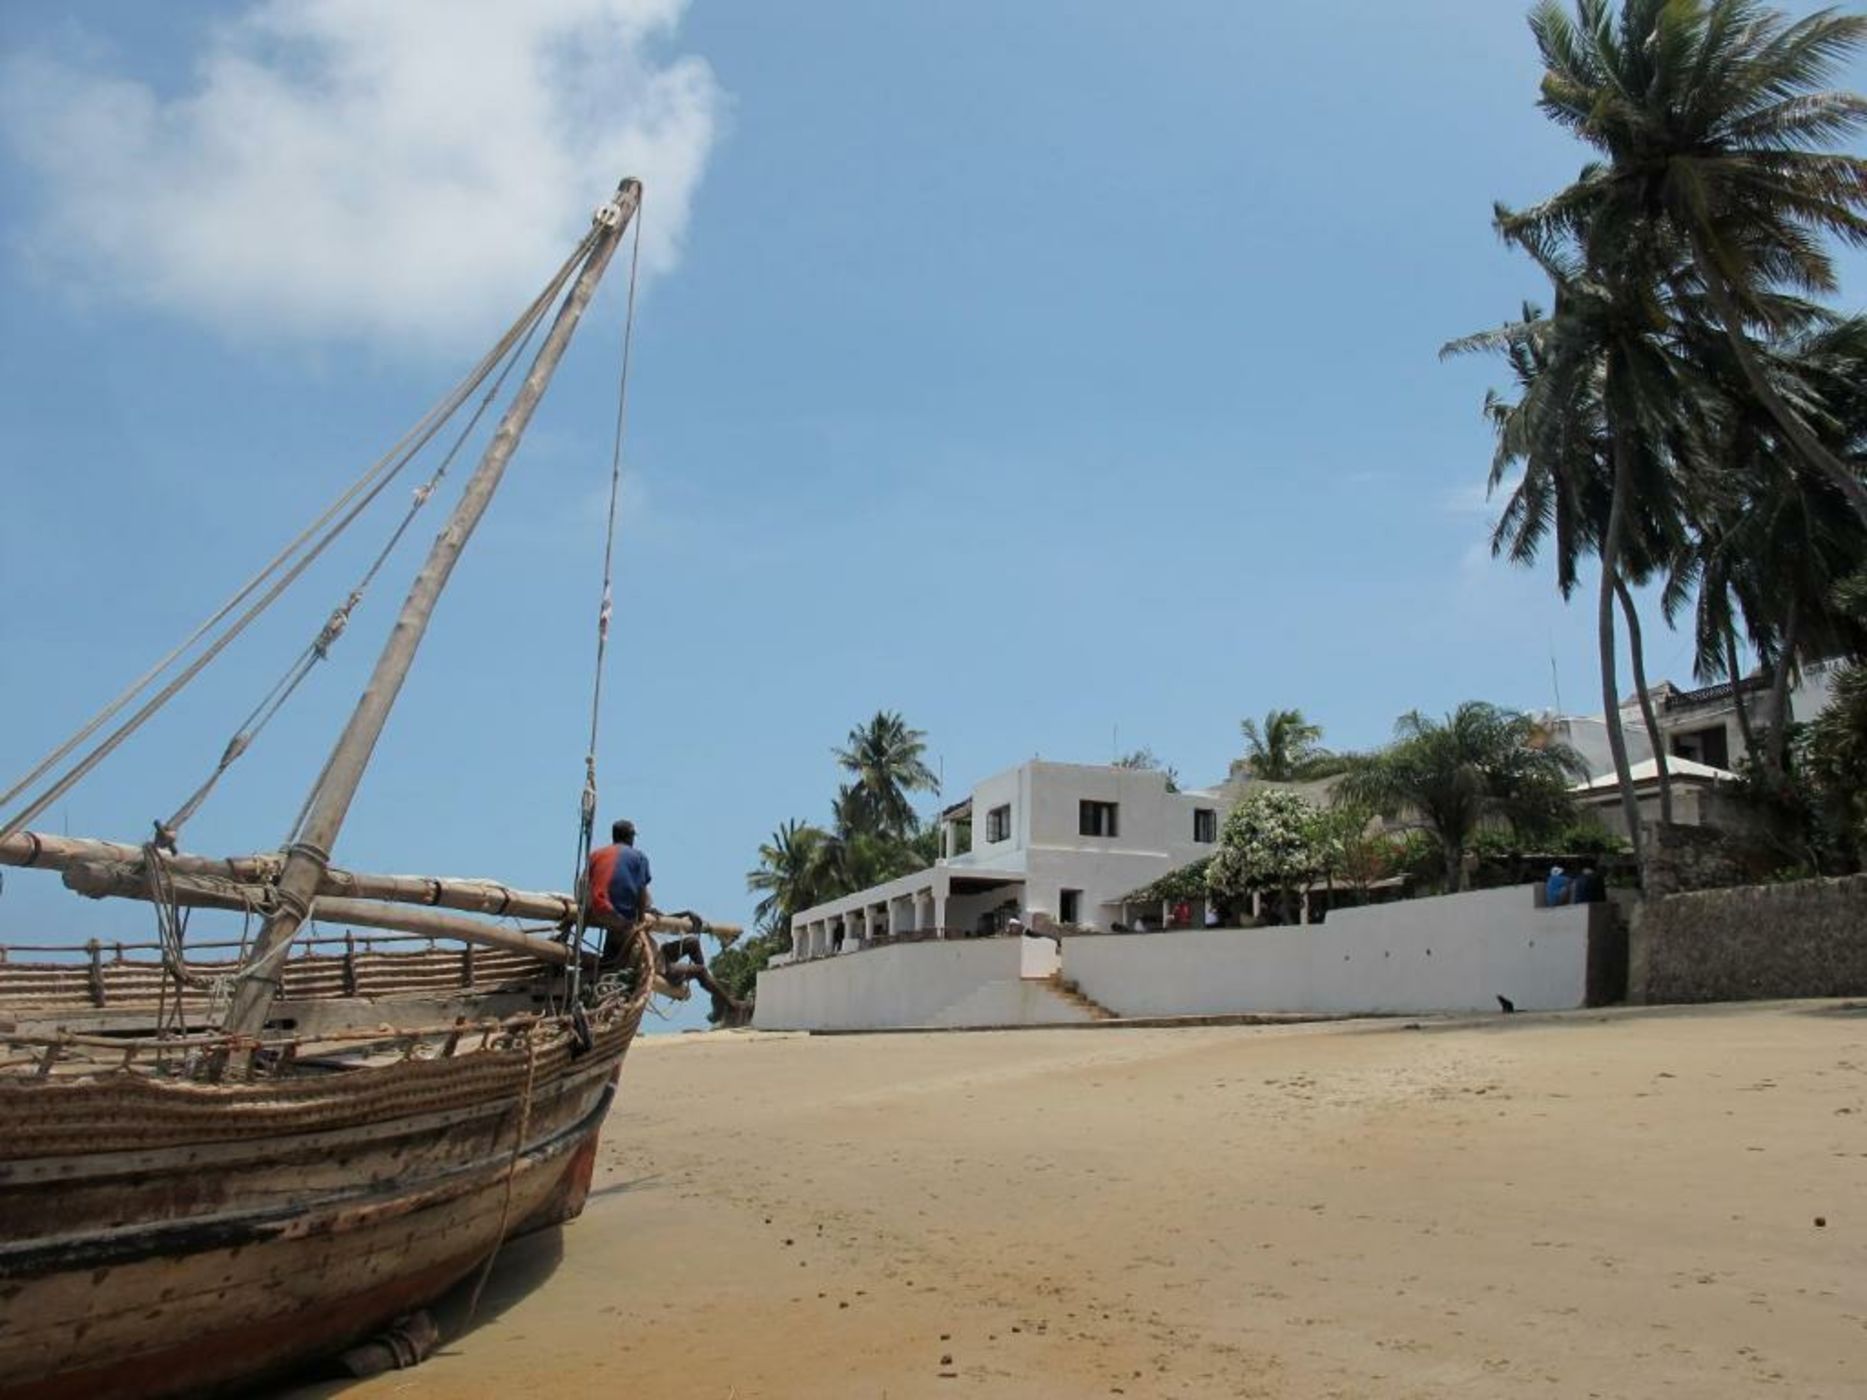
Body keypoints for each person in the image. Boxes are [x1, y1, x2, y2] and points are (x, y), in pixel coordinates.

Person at [584, 818, 652, 965]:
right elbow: (641, 892)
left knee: (613, 944)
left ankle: (605, 964)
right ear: (630, 837)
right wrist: (640, 923)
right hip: (616, 915)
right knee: (628, 957)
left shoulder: (595, 855)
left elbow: (586, 886)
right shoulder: (639, 857)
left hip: (596, 909)